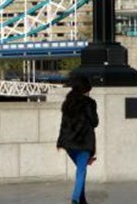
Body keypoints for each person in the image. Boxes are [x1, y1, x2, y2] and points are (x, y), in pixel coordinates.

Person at [57, 75, 98, 204]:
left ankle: (82, 200)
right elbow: (95, 122)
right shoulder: (89, 102)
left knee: (82, 170)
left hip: (68, 144)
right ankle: (75, 199)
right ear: (86, 88)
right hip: (83, 143)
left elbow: (63, 124)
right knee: (81, 171)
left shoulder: (67, 102)